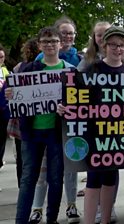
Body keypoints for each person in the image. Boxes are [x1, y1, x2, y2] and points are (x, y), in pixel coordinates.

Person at [58, 26, 124, 224]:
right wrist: (63, 108)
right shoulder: (91, 69)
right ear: (104, 45)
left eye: (122, 45)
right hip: (94, 134)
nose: (118, 49)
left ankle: (104, 220)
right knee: (94, 179)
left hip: (117, 136)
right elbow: (73, 98)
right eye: (113, 45)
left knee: (111, 178)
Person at [6, 26, 75, 224]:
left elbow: (78, 103)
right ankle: (21, 220)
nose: (50, 45)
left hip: (57, 132)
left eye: (54, 41)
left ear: (60, 44)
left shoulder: (69, 71)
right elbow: (11, 96)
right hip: (31, 132)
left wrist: (67, 108)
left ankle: (51, 219)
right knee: (28, 179)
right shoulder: (28, 69)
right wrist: (10, 95)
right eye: (46, 42)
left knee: (55, 179)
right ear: (39, 45)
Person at [30, 15, 82, 224]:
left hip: (68, 127)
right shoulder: (35, 64)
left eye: (69, 33)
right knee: (42, 173)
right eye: (62, 33)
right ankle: (37, 208)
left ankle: (71, 206)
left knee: (70, 169)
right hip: (43, 127)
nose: (65, 37)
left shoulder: (74, 65)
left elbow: (81, 97)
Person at [11, 38, 41, 189]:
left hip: (22, 121)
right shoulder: (43, 69)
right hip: (38, 121)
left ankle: (22, 185)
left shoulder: (18, 68)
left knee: (23, 159)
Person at [0, 43, 10, 172]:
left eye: (2, 57)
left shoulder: (5, 71)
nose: (0, 60)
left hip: (2, 112)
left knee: (1, 141)